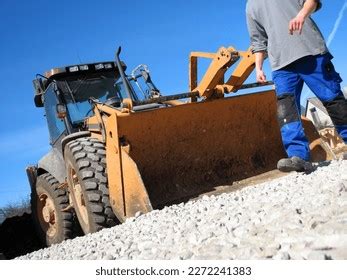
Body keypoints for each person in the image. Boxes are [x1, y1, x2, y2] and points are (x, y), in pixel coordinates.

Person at [246, 0, 347, 172]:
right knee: (286, 111)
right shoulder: (250, 6)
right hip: (281, 66)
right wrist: (259, 68)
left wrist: (301, 15)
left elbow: (313, 2)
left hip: (310, 52)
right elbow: (258, 41)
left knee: (332, 99)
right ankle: (298, 156)